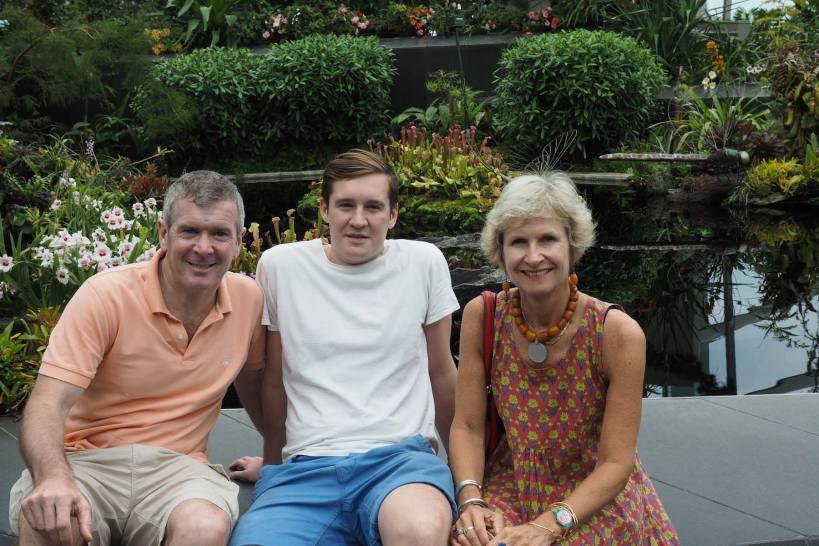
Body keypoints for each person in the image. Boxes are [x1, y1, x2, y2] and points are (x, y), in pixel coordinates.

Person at [9, 171, 266, 546]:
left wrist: (279, 461)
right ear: (164, 232)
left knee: (205, 528)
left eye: (220, 234)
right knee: (53, 518)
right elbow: (47, 402)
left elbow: (256, 386)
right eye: (190, 231)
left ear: (239, 241)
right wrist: (52, 477)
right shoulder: (106, 295)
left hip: (178, 469)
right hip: (85, 462)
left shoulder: (248, 299)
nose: (204, 247)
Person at [227, 149, 460, 546]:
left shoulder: (423, 263)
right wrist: (273, 461)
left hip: (400, 462)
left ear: (392, 214)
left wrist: (468, 476)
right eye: (345, 205)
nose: (358, 220)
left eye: (373, 207)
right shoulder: (281, 267)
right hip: (307, 470)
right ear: (323, 209)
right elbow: (274, 381)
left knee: (419, 533)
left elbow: (442, 372)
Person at [448, 173, 679, 546]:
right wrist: (471, 501)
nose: (533, 256)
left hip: (592, 496)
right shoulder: (484, 315)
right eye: (518, 242)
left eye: (547, 239)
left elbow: (616, 464)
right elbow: (468, 427)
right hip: (512, 480)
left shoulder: (616, 333)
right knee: (473, 541)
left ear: (573, 246)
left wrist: (549, 525)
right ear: (500, 250)